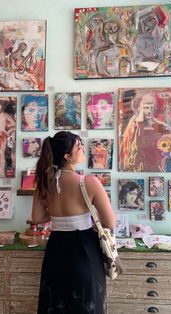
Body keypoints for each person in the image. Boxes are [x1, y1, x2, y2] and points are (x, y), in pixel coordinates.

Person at [32, 131, 116, 314]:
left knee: (56, 303)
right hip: (84, 249)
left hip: (56, 248)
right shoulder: (89, 182)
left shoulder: (44, 182)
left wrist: (58, 215)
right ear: (67, 156)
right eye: (79, 146)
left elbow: (37, 218)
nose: (83, 149)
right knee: (86, 303)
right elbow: (110, 222)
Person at [119, 91, 171, 172]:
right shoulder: (134, 126)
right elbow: (126, 149)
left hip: (156, 168)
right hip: (137, 167)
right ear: (139, 108)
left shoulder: (161, 126)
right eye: (146, 107)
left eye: (151, 108)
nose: (149, 111)